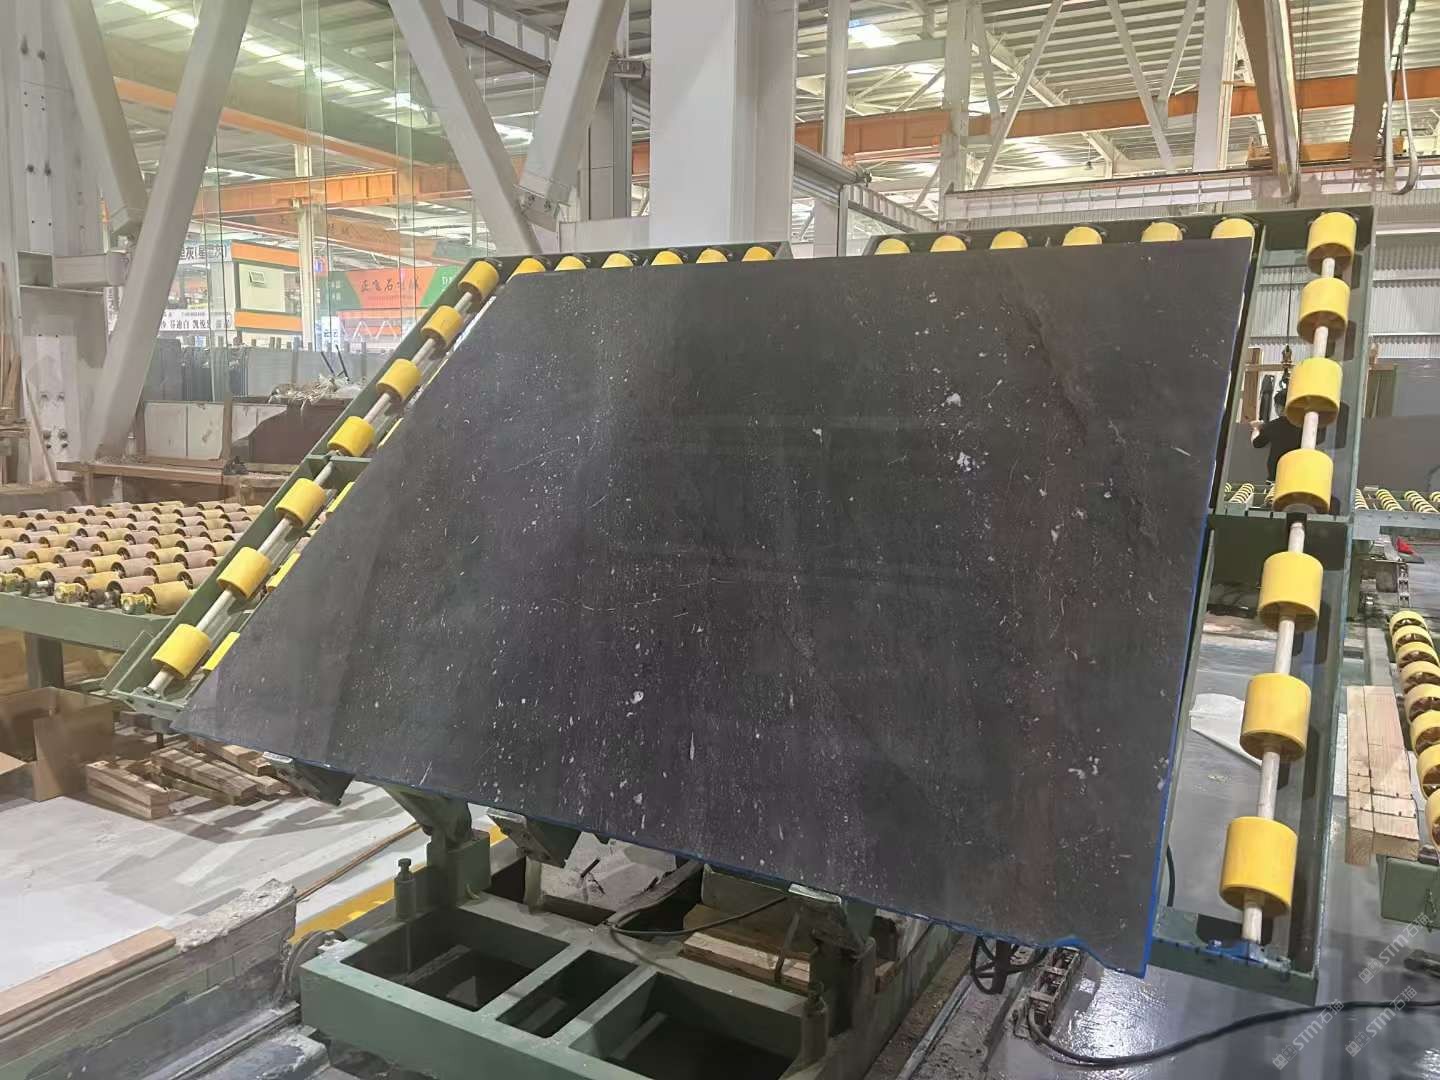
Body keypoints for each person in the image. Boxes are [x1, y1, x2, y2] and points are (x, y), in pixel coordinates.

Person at [1250, 381, 1302, 481]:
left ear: (1280, 407)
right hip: (1298, 475)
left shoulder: (1272, 426)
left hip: (1276, 475)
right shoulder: (1305, 425)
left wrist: (1256, 428)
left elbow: (1256, 443)